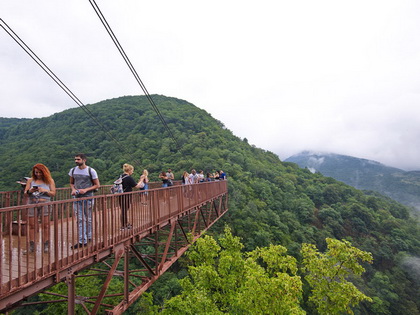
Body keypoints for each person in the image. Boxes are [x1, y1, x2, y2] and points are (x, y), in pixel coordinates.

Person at [69, 153, 100, 249]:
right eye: (75, 159)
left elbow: (97, 185)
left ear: (84, 160)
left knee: (88, 218)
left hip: (88, 197)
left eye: (78, 159)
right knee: (80, 219)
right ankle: (83, 240)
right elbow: (71, 183)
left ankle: (89, 236)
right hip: (77, 197)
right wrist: (73, 190)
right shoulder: (73, 170)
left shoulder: (91, 171)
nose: (76, 161)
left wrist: (86, 190)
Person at [24, 163, 56, 253]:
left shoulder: (50, 181)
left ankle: (46, 245)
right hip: (32, 203)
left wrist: (45, 190)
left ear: (44, 172)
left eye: (40, 172)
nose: (38, 174)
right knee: (32, 225)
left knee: (45, 225)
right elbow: (25, 193)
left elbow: (53, 193)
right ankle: (31, 246)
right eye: (36, 172)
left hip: (45, 203)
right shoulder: (30, 181)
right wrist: (30, 191)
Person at [119, 163, 144, 230]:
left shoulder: (121, 176)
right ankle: (124, 226)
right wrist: (141, 179)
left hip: (120, 195)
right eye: (132, 170)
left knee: (123, 210)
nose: (132, 172)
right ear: (129, 170)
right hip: (126, 195)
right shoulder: (128, 178)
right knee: (124, 210)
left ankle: (125, 224)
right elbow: (137, 186)